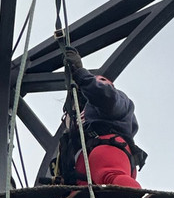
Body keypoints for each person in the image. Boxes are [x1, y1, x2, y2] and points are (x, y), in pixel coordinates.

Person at [60, 47, 144, 189]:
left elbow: (105, 96)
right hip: (85, 169)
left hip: (108, 150)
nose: (97, 82)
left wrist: (80, 74)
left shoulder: (117, 100)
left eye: (102, 80)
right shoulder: (82, 119)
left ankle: (133, 196)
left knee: (110, 176)